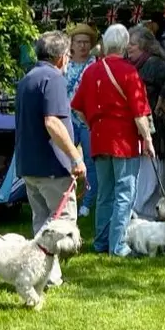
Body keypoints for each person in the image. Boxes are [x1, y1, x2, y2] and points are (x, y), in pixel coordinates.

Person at [70, 24, 155, 257]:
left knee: (105, 192)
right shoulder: (129, 72)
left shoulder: (92, 71)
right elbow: (139, 113)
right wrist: (147, 139)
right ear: (126, 45)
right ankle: (118, 245)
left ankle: (101, 241)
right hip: (124, 139)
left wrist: (92, 124)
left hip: (99, 136)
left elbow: (76, 107)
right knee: (125, 191)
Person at [13, 30, 87, 286]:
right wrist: (75, 156)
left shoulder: (27, 79)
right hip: (52, 165)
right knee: (62, 224)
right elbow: (53, 122)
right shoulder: (54, 78)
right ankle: (52, 276)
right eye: (67, 55)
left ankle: (42, 273)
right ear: (61, 57)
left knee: (41, 224)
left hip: (29, 163)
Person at [64, 22, 100, 217]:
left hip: (87, 120)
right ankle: (65, 199)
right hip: (68, 119)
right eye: (79, 42)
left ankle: (88, 201)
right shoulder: (65, 64)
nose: (83, 46)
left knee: (90, 161)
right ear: (72, 44)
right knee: (65, 161)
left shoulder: (95, 64)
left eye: (87, 42)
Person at [126, 25, 165, 159]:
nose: (128, 47)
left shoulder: (154, 63)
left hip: (155, 124)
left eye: (132, 44)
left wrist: (162, 97)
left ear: (144, 46)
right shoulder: (131, 65)